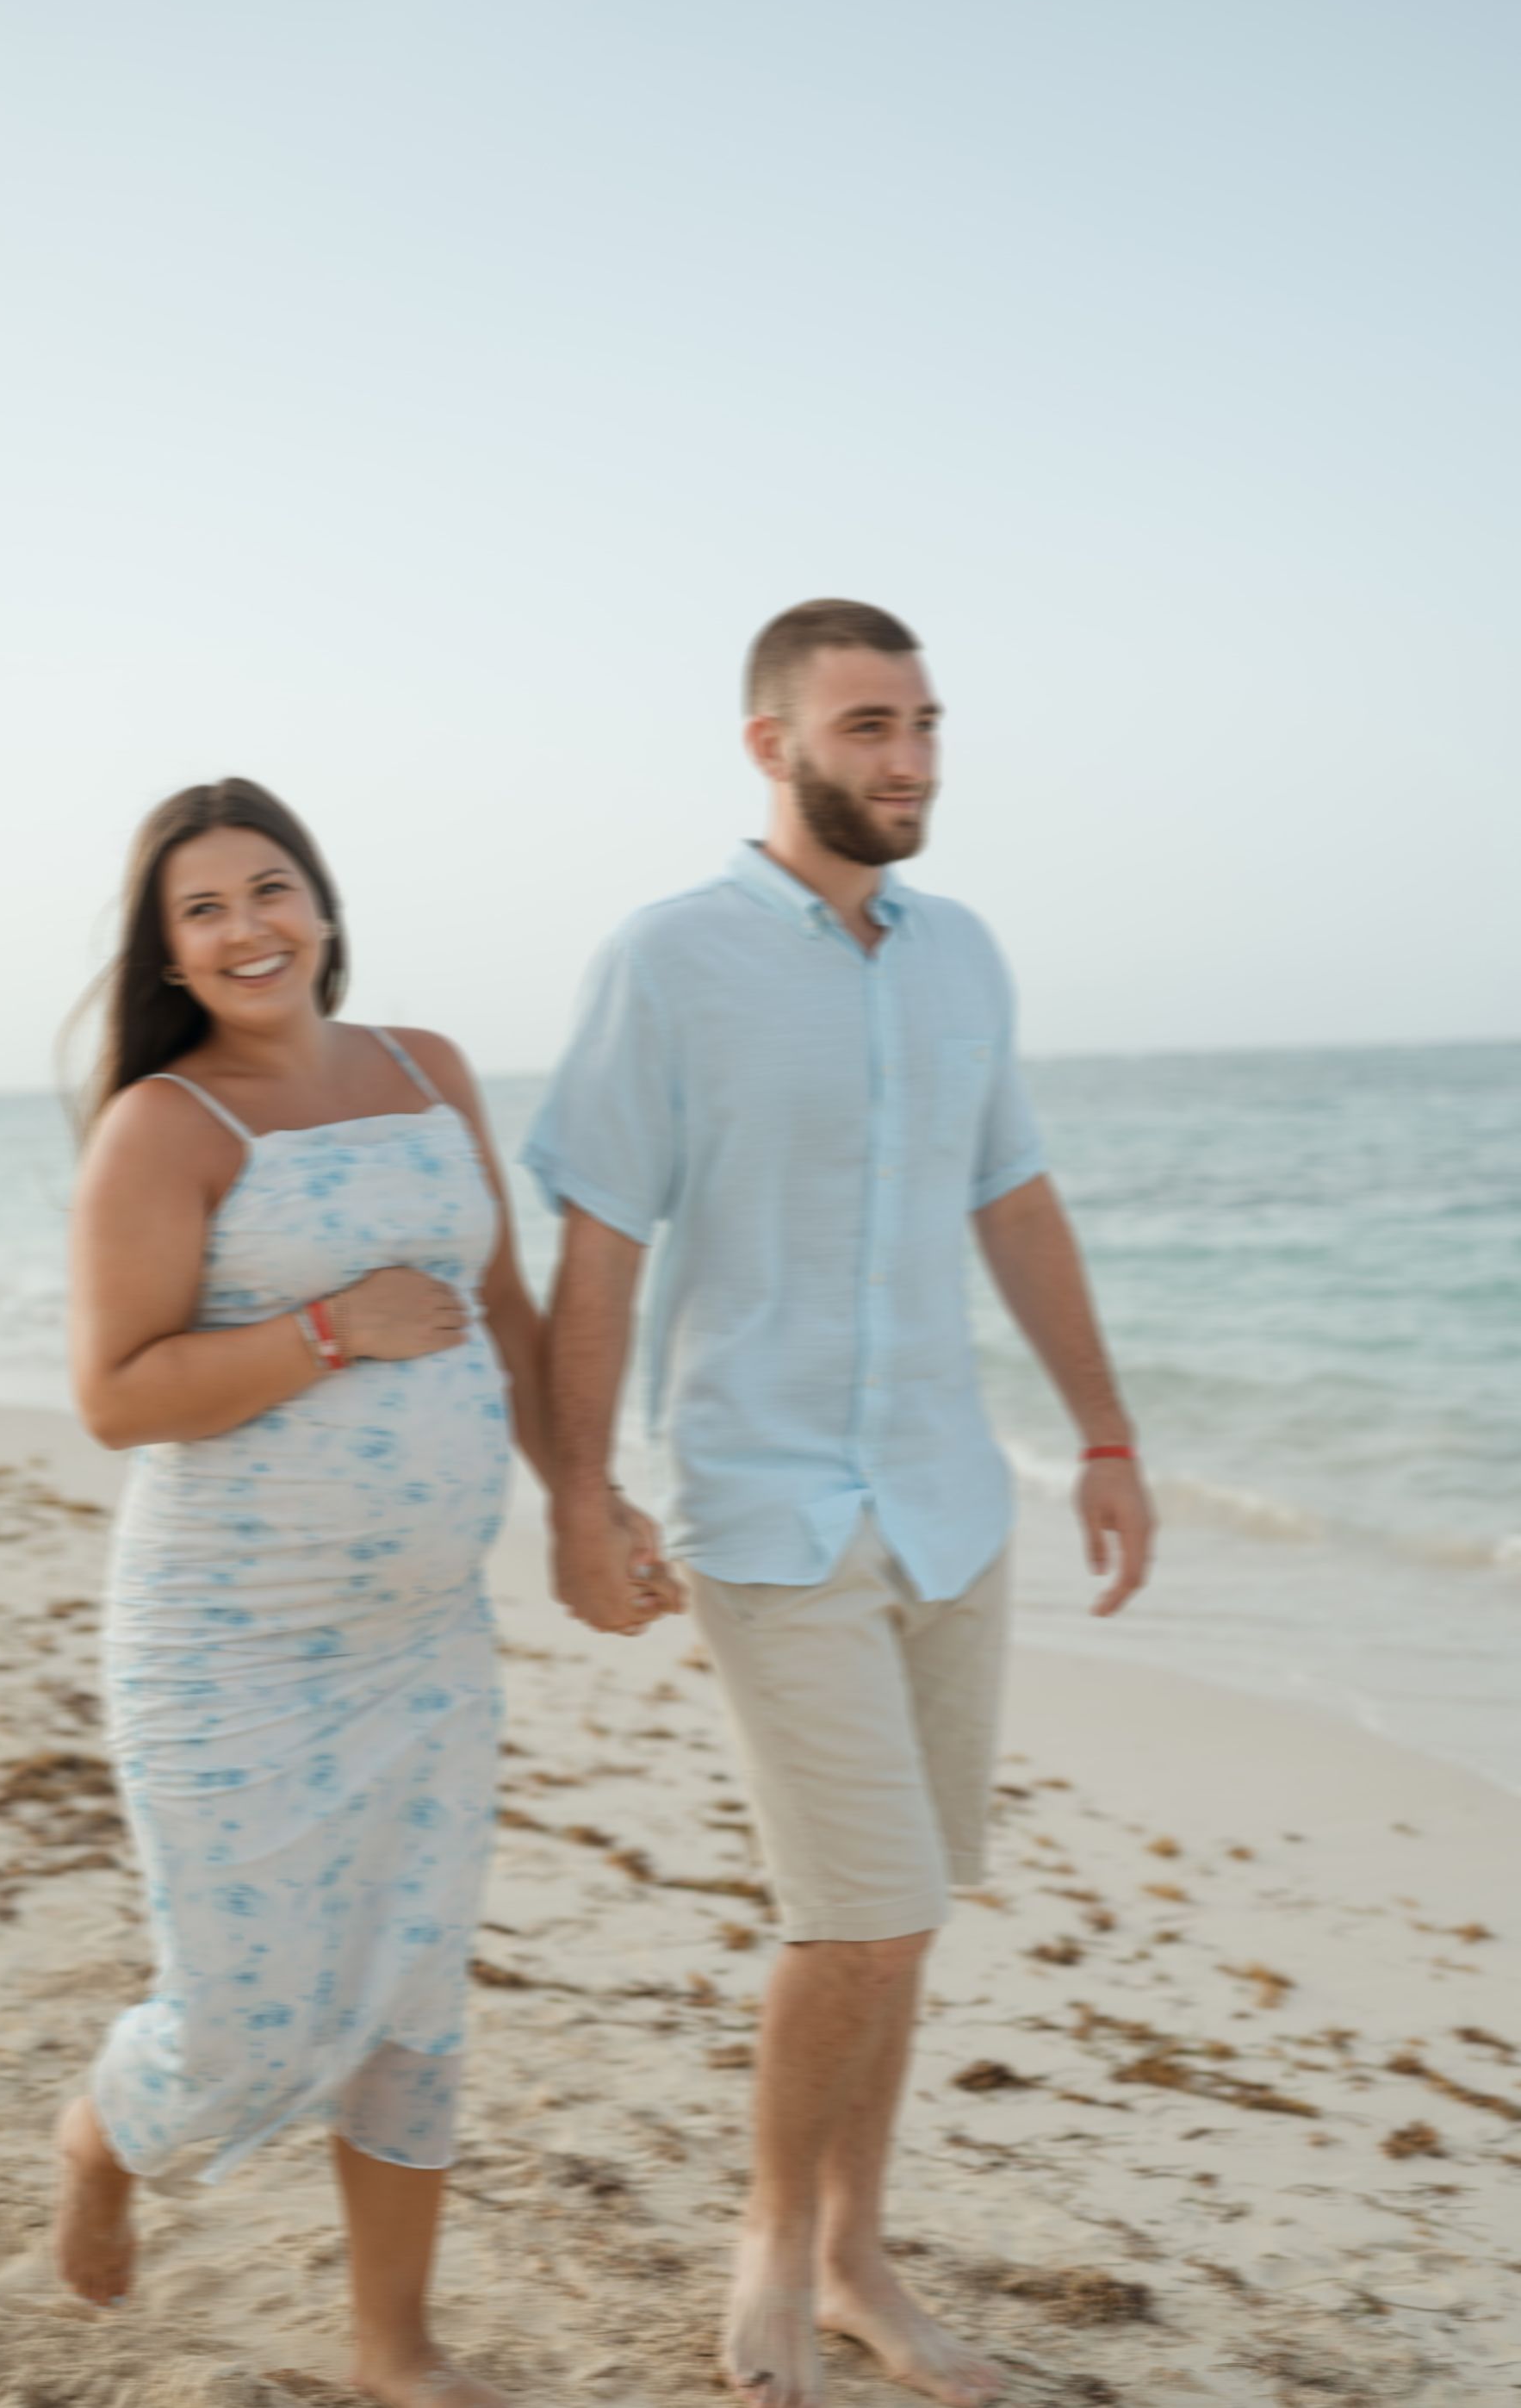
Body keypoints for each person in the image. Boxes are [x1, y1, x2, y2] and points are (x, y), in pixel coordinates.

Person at [525, 601, 1156, 2408]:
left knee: (909, 1909)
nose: (911, 761)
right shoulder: (670, 961)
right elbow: (602, 1244)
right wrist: (581, 1496)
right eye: (870, 725)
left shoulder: (965, 959)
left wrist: (1105, 1436)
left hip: (953, 1506)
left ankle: (862, 2253)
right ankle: (769, 2247)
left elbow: (1015, 1203)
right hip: (771, 1505)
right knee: (856, 1911)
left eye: (928, 724)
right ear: (771, 744)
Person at [53, 777, 669, 2408]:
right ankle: (102, 2128)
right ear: (170, 952)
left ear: (321, 903)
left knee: (411, 1995)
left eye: (272, 888)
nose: (249, 927)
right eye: (206, 909)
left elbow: (511, 1313)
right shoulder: (165, 1126)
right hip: (225, 1651)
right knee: (247, 2019)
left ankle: (393, 2343)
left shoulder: (427, 1070)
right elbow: (116, 1394)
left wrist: (580, 1507)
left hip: (424, 1647)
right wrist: (327, 1328)